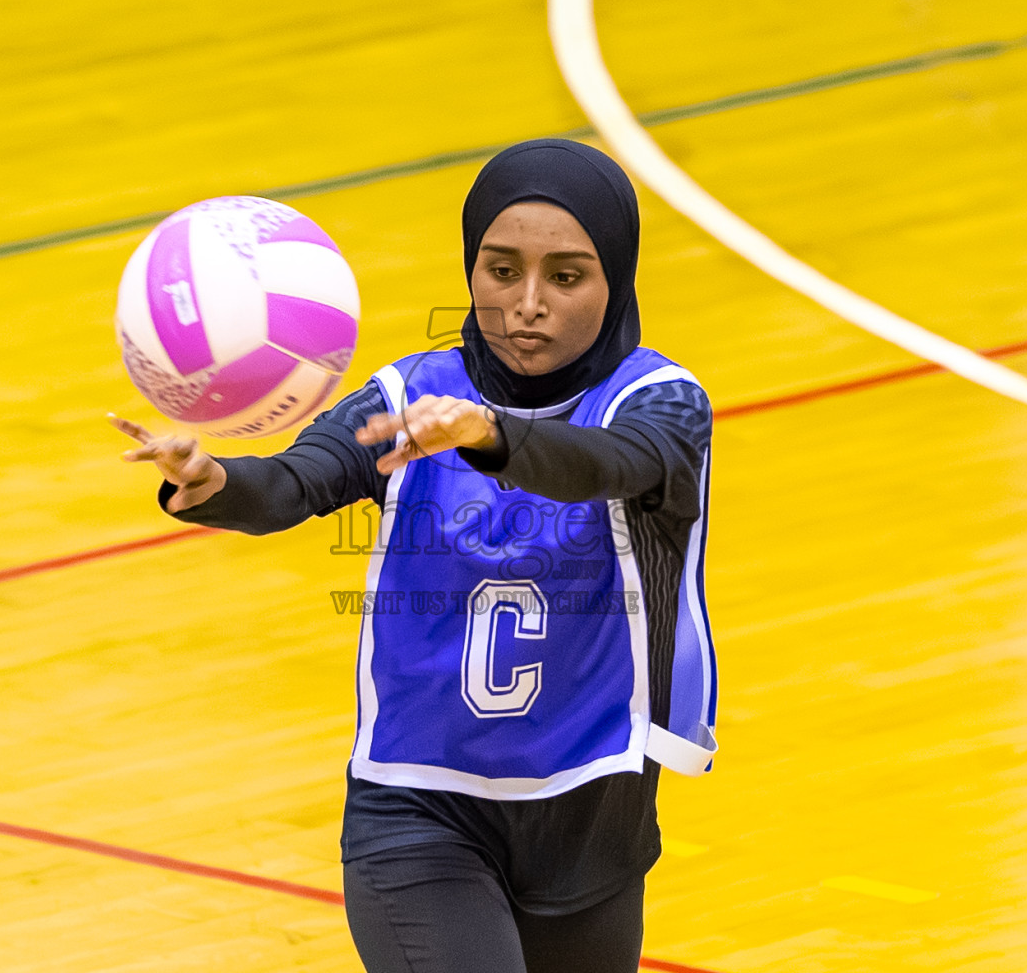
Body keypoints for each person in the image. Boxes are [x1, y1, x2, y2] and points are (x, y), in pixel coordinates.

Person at [110, 139, 717, 973]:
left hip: (592, 813)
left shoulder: (661, 405)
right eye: (500, 271)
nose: (527, 304)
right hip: (418, 811)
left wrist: (493, 437)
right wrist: (214, 480)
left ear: (616, 279)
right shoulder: (408, 397)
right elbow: (293, 482)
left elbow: (609, 465)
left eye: (566, 277)